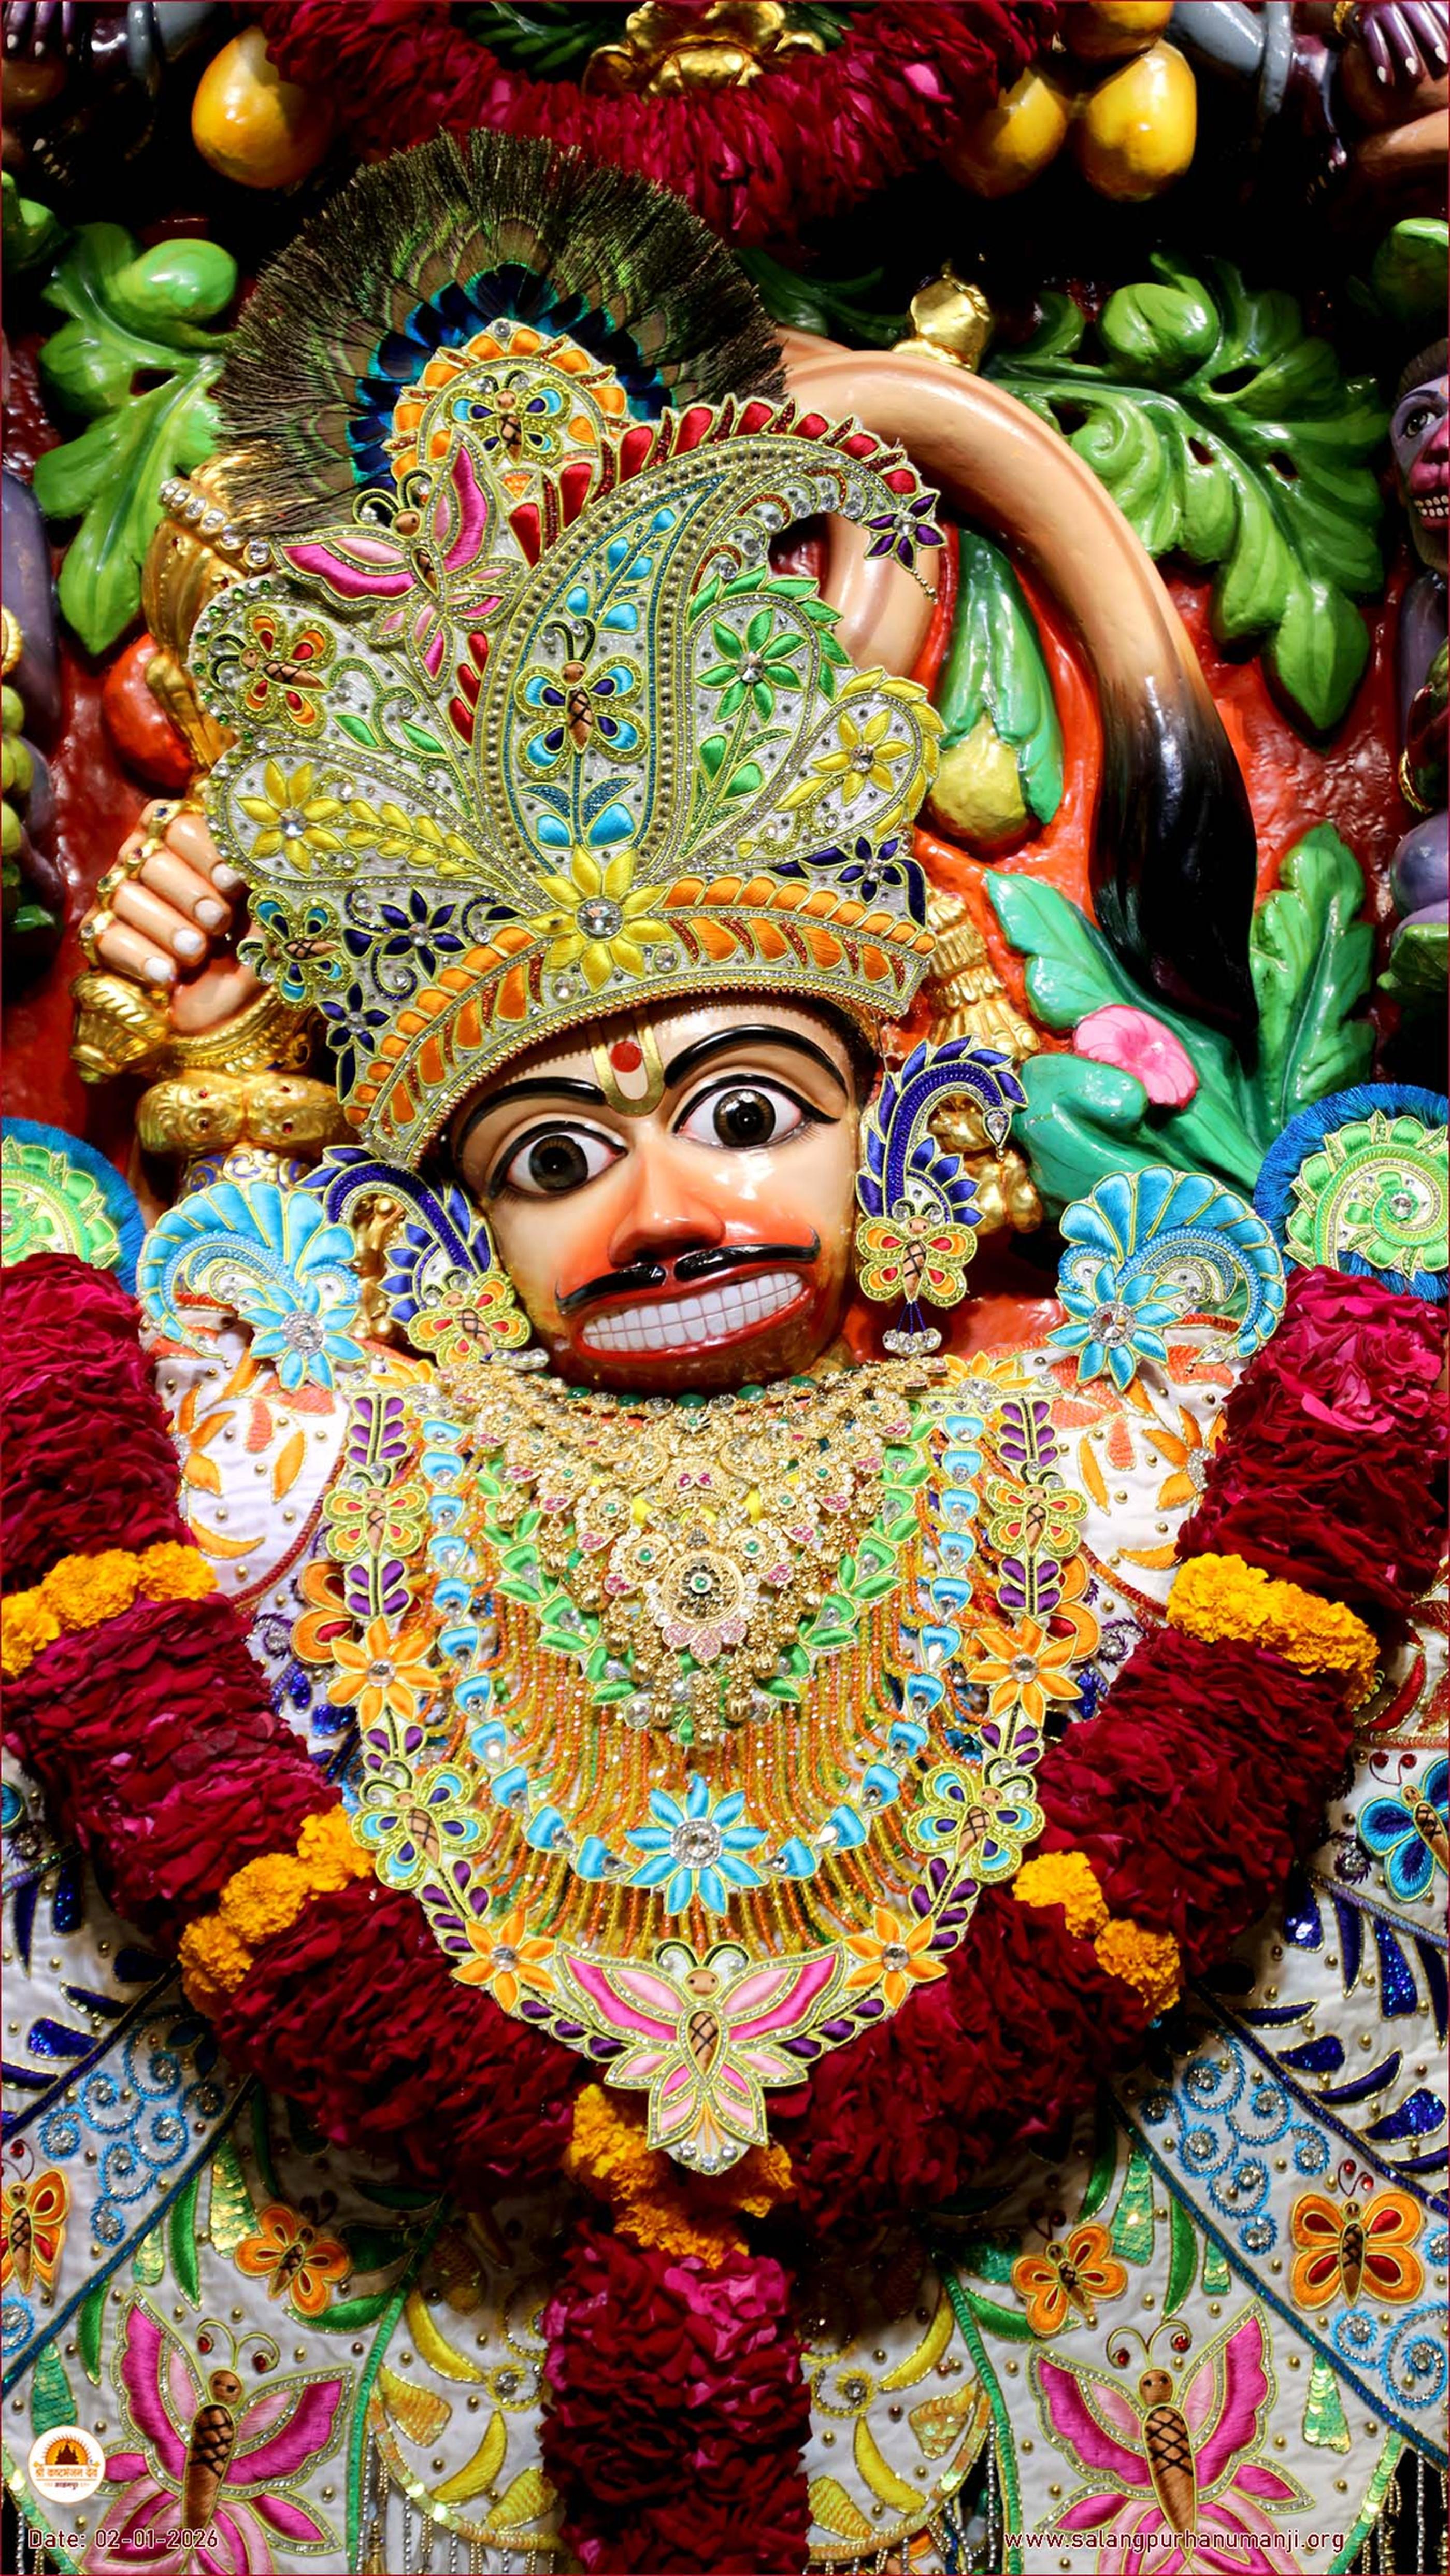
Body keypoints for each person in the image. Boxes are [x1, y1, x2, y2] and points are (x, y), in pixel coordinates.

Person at [3, 132, 1444, 2576]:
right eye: (555, 1154)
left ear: (919, 1134)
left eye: (751, 1112)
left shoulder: (1075, 1457)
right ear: (435, 1234)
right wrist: (197, 1020)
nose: (665, 1204)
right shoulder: (323, 1476)